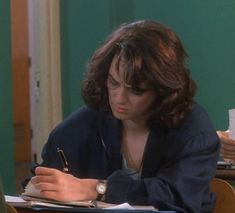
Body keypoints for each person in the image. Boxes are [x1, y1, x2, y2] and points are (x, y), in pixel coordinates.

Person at [25, 20, 220, 212]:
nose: (119, 98)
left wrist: (95, 189)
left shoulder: (195, 132)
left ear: (162, 90)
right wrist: (41, 186)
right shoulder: (83, 124)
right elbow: (39, 182)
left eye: (136, 90)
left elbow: (177, 196)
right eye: (114, 82)